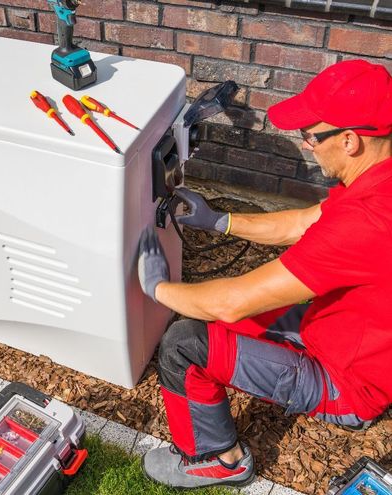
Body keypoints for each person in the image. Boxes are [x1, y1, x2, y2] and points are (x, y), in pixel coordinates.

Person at [137, 59, 392, 489]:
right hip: (342, 336)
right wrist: (220, 221)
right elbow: (299, 224)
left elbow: (230, 303)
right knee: (215, 319)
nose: (307, 146)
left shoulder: (369, 220)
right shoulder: (376, 181)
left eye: (311, 136)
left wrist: (156, 288)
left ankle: (217, 460)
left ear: (350, 141)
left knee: (184, 344)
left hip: (346, 381)